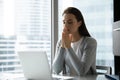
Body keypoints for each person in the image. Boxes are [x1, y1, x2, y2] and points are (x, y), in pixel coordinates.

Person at [52, 7, 97, 76]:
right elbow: (56, 70)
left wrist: (68, 47)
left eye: (70, 22)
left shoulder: (90, 42)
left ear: (79, 23)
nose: (66, 26)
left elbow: (82, 72)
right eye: (64, 22)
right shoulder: (60, 42)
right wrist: (62, 47)